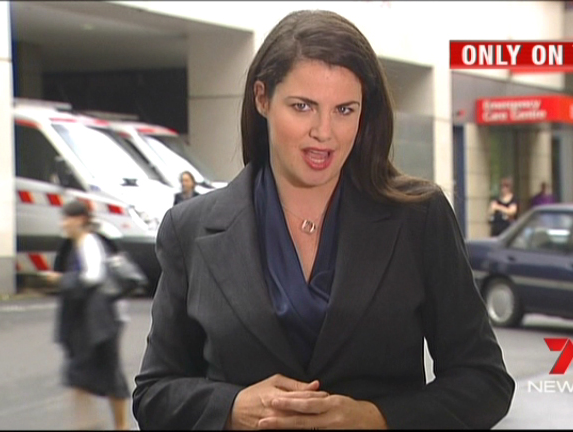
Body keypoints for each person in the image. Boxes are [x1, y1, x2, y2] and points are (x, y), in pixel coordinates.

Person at [133, 10, 514, 430]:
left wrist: (377, 419)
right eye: (303, 107)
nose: (324, 132)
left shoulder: (419, 218)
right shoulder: (189, 230)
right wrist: (232, 408)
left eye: (344, 110)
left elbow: (486, 381)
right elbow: (153, 394)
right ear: (262, 98)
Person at [43, 200, 131, 430]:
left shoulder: (90, 242)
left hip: (102, 321)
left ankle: (119, 426)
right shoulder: (75, 244)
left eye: (67, 218)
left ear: (81, 219)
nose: (64, 224)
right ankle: (88, 424)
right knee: (78, 375)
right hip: (87, 321)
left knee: (108, 374)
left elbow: (94, 276)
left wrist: (61, 279)